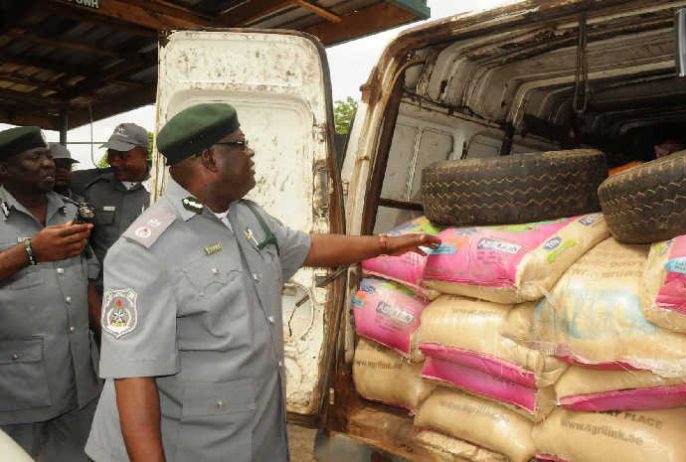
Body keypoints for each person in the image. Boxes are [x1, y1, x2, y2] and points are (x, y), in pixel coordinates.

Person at [85, 103, 440, 462]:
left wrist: (384, 244)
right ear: (210, 158)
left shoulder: (246, 217)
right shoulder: (143, 252)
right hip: (190, 445)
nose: (251, 151)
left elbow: (311, 246)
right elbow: (132, 378)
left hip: (254, 432)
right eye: (241, 143)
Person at [0, 126, 101, 461]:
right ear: (5, 168)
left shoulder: (70, 211)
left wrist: (109, 339)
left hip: (79, 376)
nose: (48, 163)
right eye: (35, 157)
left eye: (47, 155)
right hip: (18, 386)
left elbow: (84, 279)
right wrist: (28, 252)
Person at [71, 123, 151, 288]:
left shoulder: (161, 190)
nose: (114, 162)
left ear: (144, 154)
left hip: (148, 290)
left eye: (123, 156)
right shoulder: (94, 191)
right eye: (111, 155)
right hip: (103, 290)